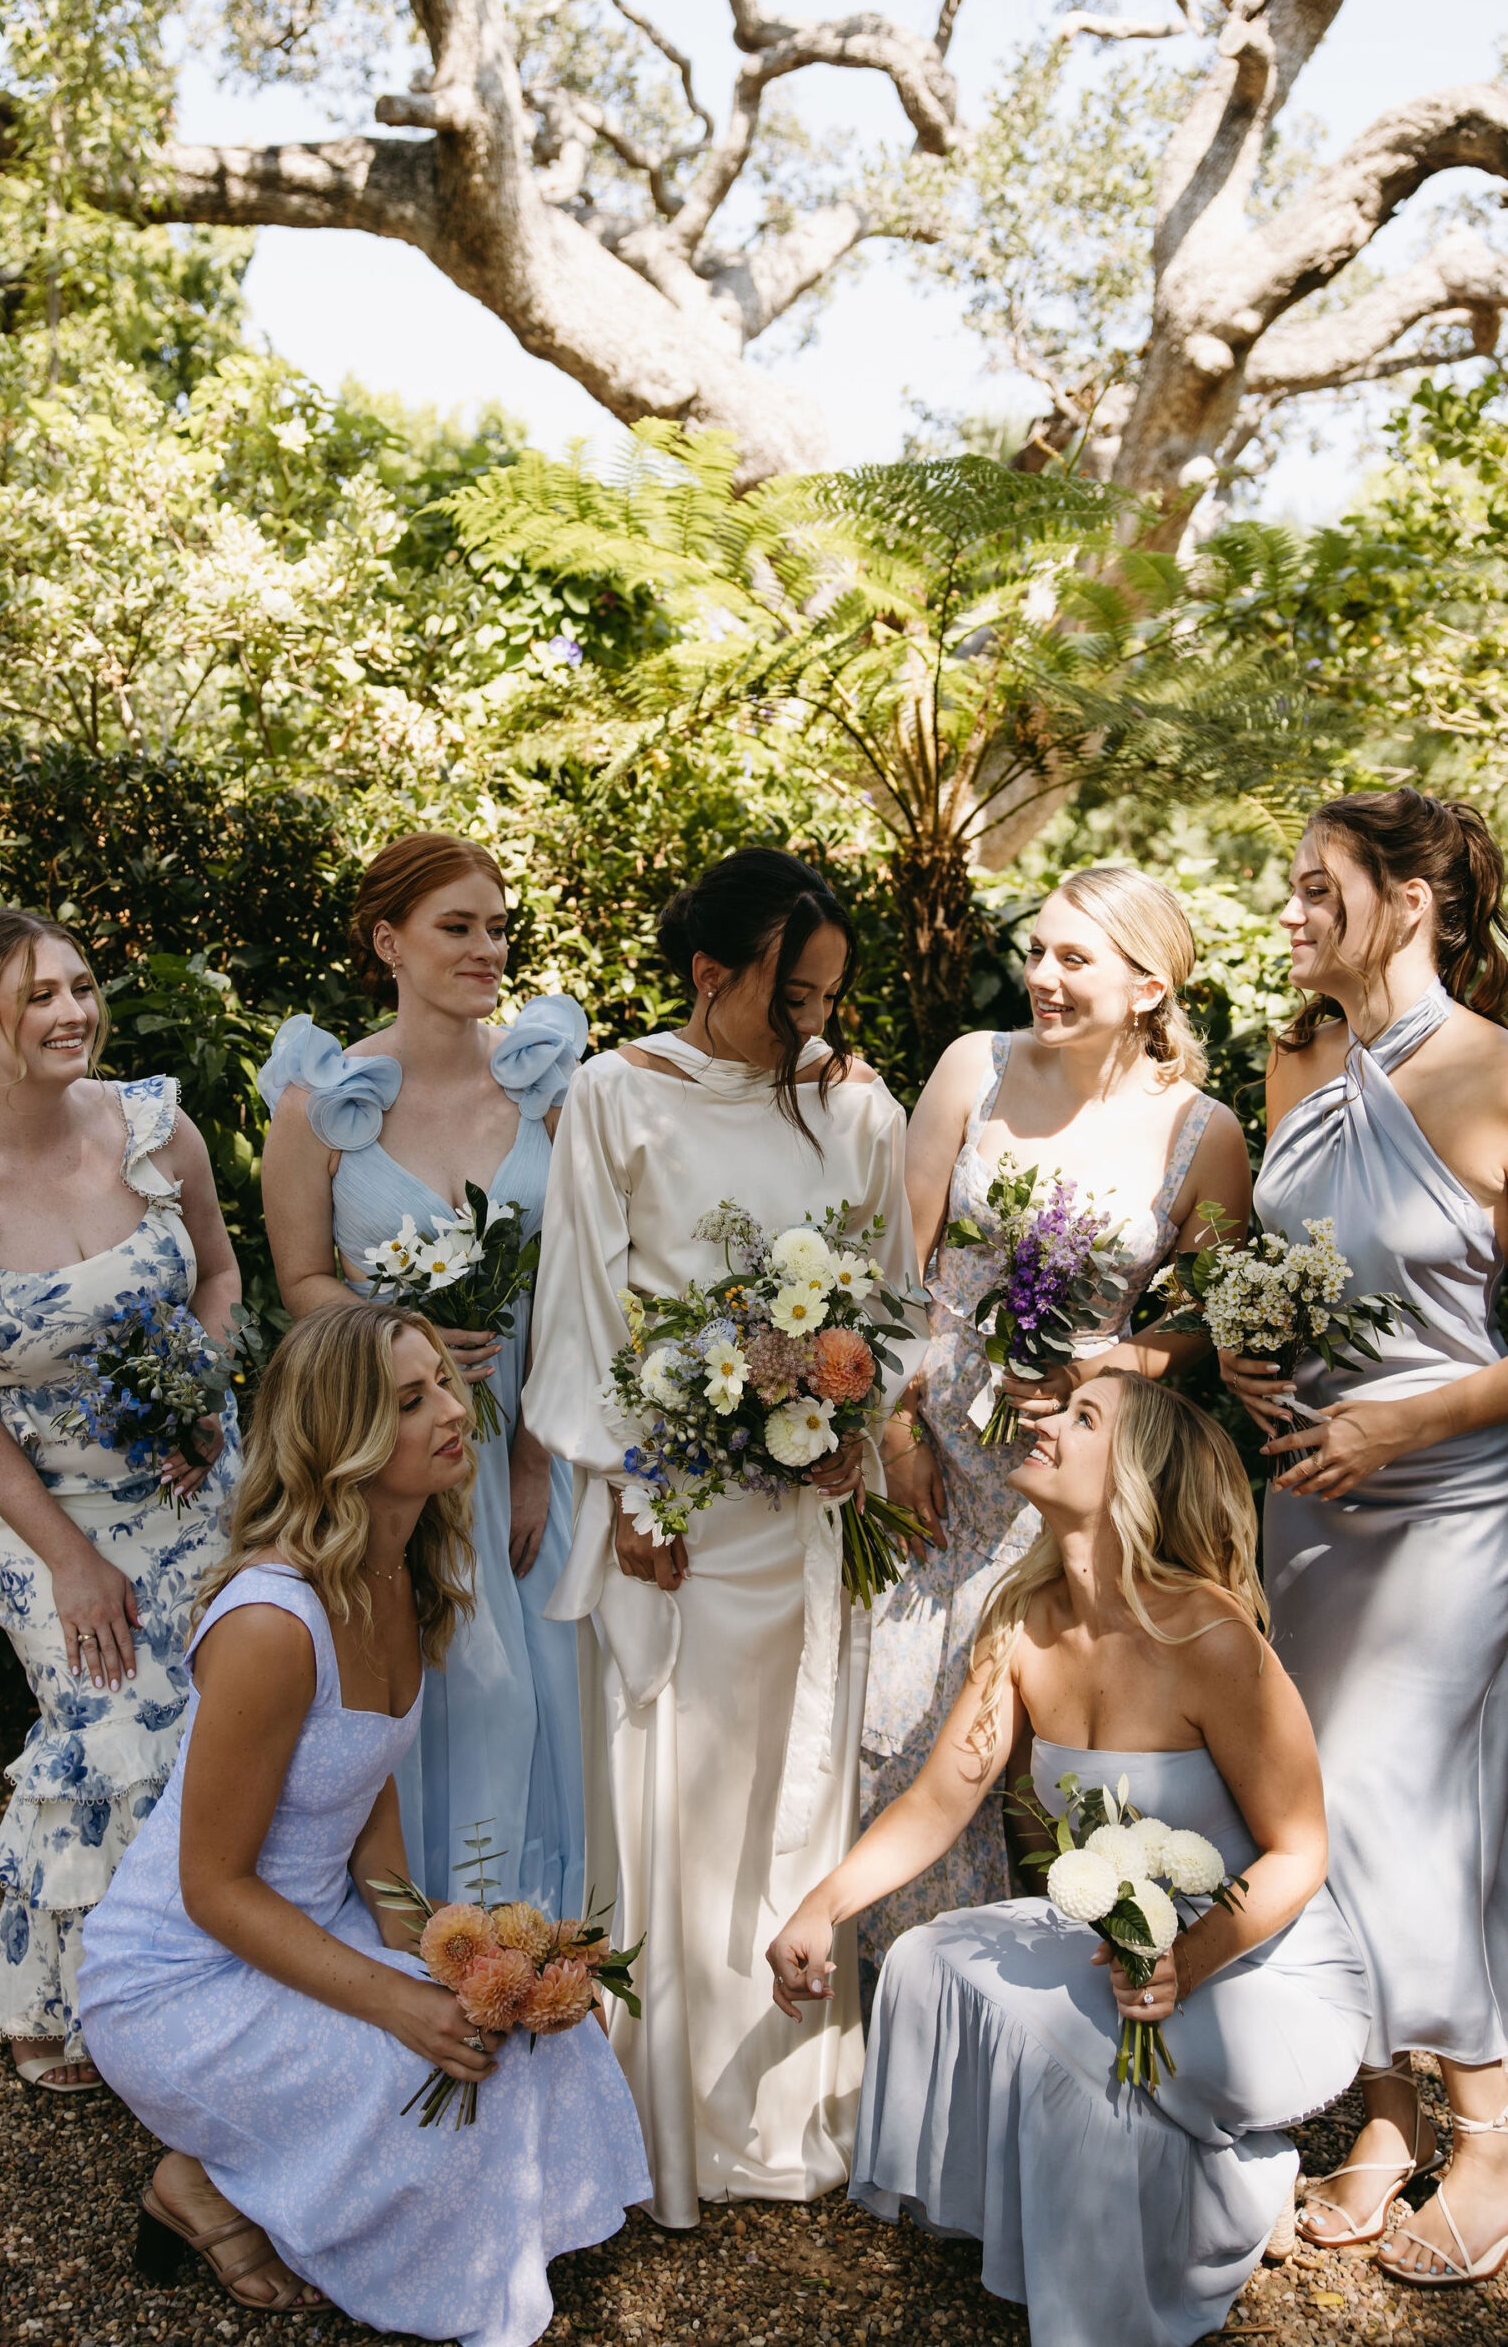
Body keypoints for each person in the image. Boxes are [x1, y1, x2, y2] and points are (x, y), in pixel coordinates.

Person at [77, 1301, 649, 2337]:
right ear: (340, 1440)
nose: (452, 1410)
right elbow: (213, 1887)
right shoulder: (268, 1623)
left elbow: (364, 1771)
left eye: (444, 1382)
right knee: (433, 2063)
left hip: (302, 1930)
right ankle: (221, 2183)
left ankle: (269, 2182)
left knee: (521, 2021)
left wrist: (435, 1941)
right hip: (181, 1976)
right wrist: (395, 2004)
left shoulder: (399, 1571)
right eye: (410, 1399)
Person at [767, 1373, 1371, 2347]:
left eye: (1083, 1417)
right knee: (927, 1960)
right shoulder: (1023, 1623)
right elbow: (938, 1800)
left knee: (1061, 2045)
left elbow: (1302, 1850)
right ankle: (1159, 2190)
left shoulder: (1213, 1637)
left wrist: (1187, 1962)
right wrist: (821, 1903)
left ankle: (1224, 2198)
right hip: (1120, 1949)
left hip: (1262, 1969)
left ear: (1138, 1474)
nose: (1045, 1421)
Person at [524, 848, 923, 2229]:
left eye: (827, 999)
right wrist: (630, 1491)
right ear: (709, 973)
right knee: (673, 1807)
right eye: (789, 997)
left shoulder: (851, 1106)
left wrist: (855, 1403)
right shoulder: (613, 1097)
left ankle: (781, 2113)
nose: (811, 1024)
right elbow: (575, 1309)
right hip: (674, 1520)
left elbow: (892, 1293)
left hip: (808, 1518)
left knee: (796, 1786)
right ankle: (663, 2130)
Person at [0, 906, 240, 2095]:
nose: (74, 1012)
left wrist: (207, 1390)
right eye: (38, 996)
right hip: (38, 1505)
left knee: (225, 1726)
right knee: (112, 1725)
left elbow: (220, 1277)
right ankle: (63, 1990)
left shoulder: (151, 1125)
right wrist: (70, 1559)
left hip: (191, 1485)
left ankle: (207, 1977)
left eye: (81, 986)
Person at [859, 867, 1251, 1969]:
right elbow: (891, 1271)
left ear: (1147, 985)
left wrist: (1118, 1357)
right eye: (1037, 950)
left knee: (1053, 1785)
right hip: (926, 1474)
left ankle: (1070, 2035)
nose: (1039, 976)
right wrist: (895, 1434)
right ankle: (913, 2032)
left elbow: (1219, 1323)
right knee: (903, 1749)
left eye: (1074, 958)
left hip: (1073, 1495)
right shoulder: (970, 1069)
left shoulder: (1202, 1133)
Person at [1221, 789, 1508, 2289]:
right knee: (1318, 1804)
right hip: (1304, 1505)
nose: (1287, 915)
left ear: (1408, 903)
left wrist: (1405, 1421)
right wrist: (1244, 1350)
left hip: (1446, 1504)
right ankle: (1385, 2121)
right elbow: (1287, 1272)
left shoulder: (1491, 1075)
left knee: (1396, 1798)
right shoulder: (1294, 1064)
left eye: (1314, 890)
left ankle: (1492, 2133)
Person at [258, 832, 587, 1918]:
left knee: (549, 1697)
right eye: (458, 927)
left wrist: (535, 1456)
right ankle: (430, 1956)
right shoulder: (321, 1103)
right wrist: (406, 1333)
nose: (487, 948)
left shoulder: (550, 1093)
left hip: (530, 1454)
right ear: (388, 940)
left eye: (498, 926)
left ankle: (541, 1960)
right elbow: (301, 1278)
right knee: (436, 1699)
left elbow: (583, 1290)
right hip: (388, 1460)